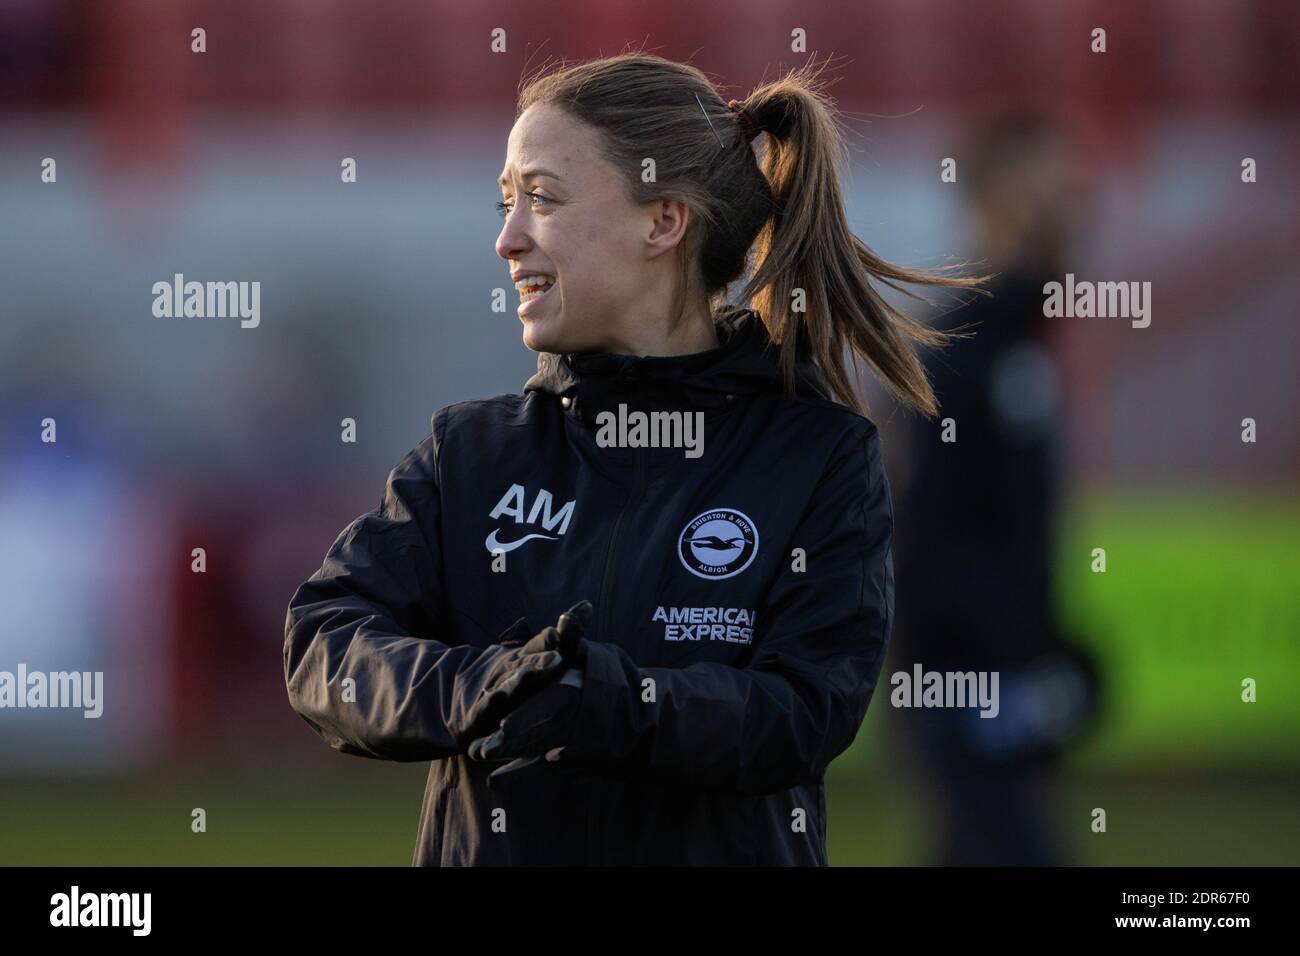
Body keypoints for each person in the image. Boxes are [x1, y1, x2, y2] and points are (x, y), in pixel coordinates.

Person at [283, 53, 984, 866]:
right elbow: (323, 644)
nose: (507, 240)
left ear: (664, 221)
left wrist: (609, 702)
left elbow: (805, 710)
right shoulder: (470, 453)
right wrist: (482, 688)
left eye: (541, 199)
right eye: (508, 203)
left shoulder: (819, 456)